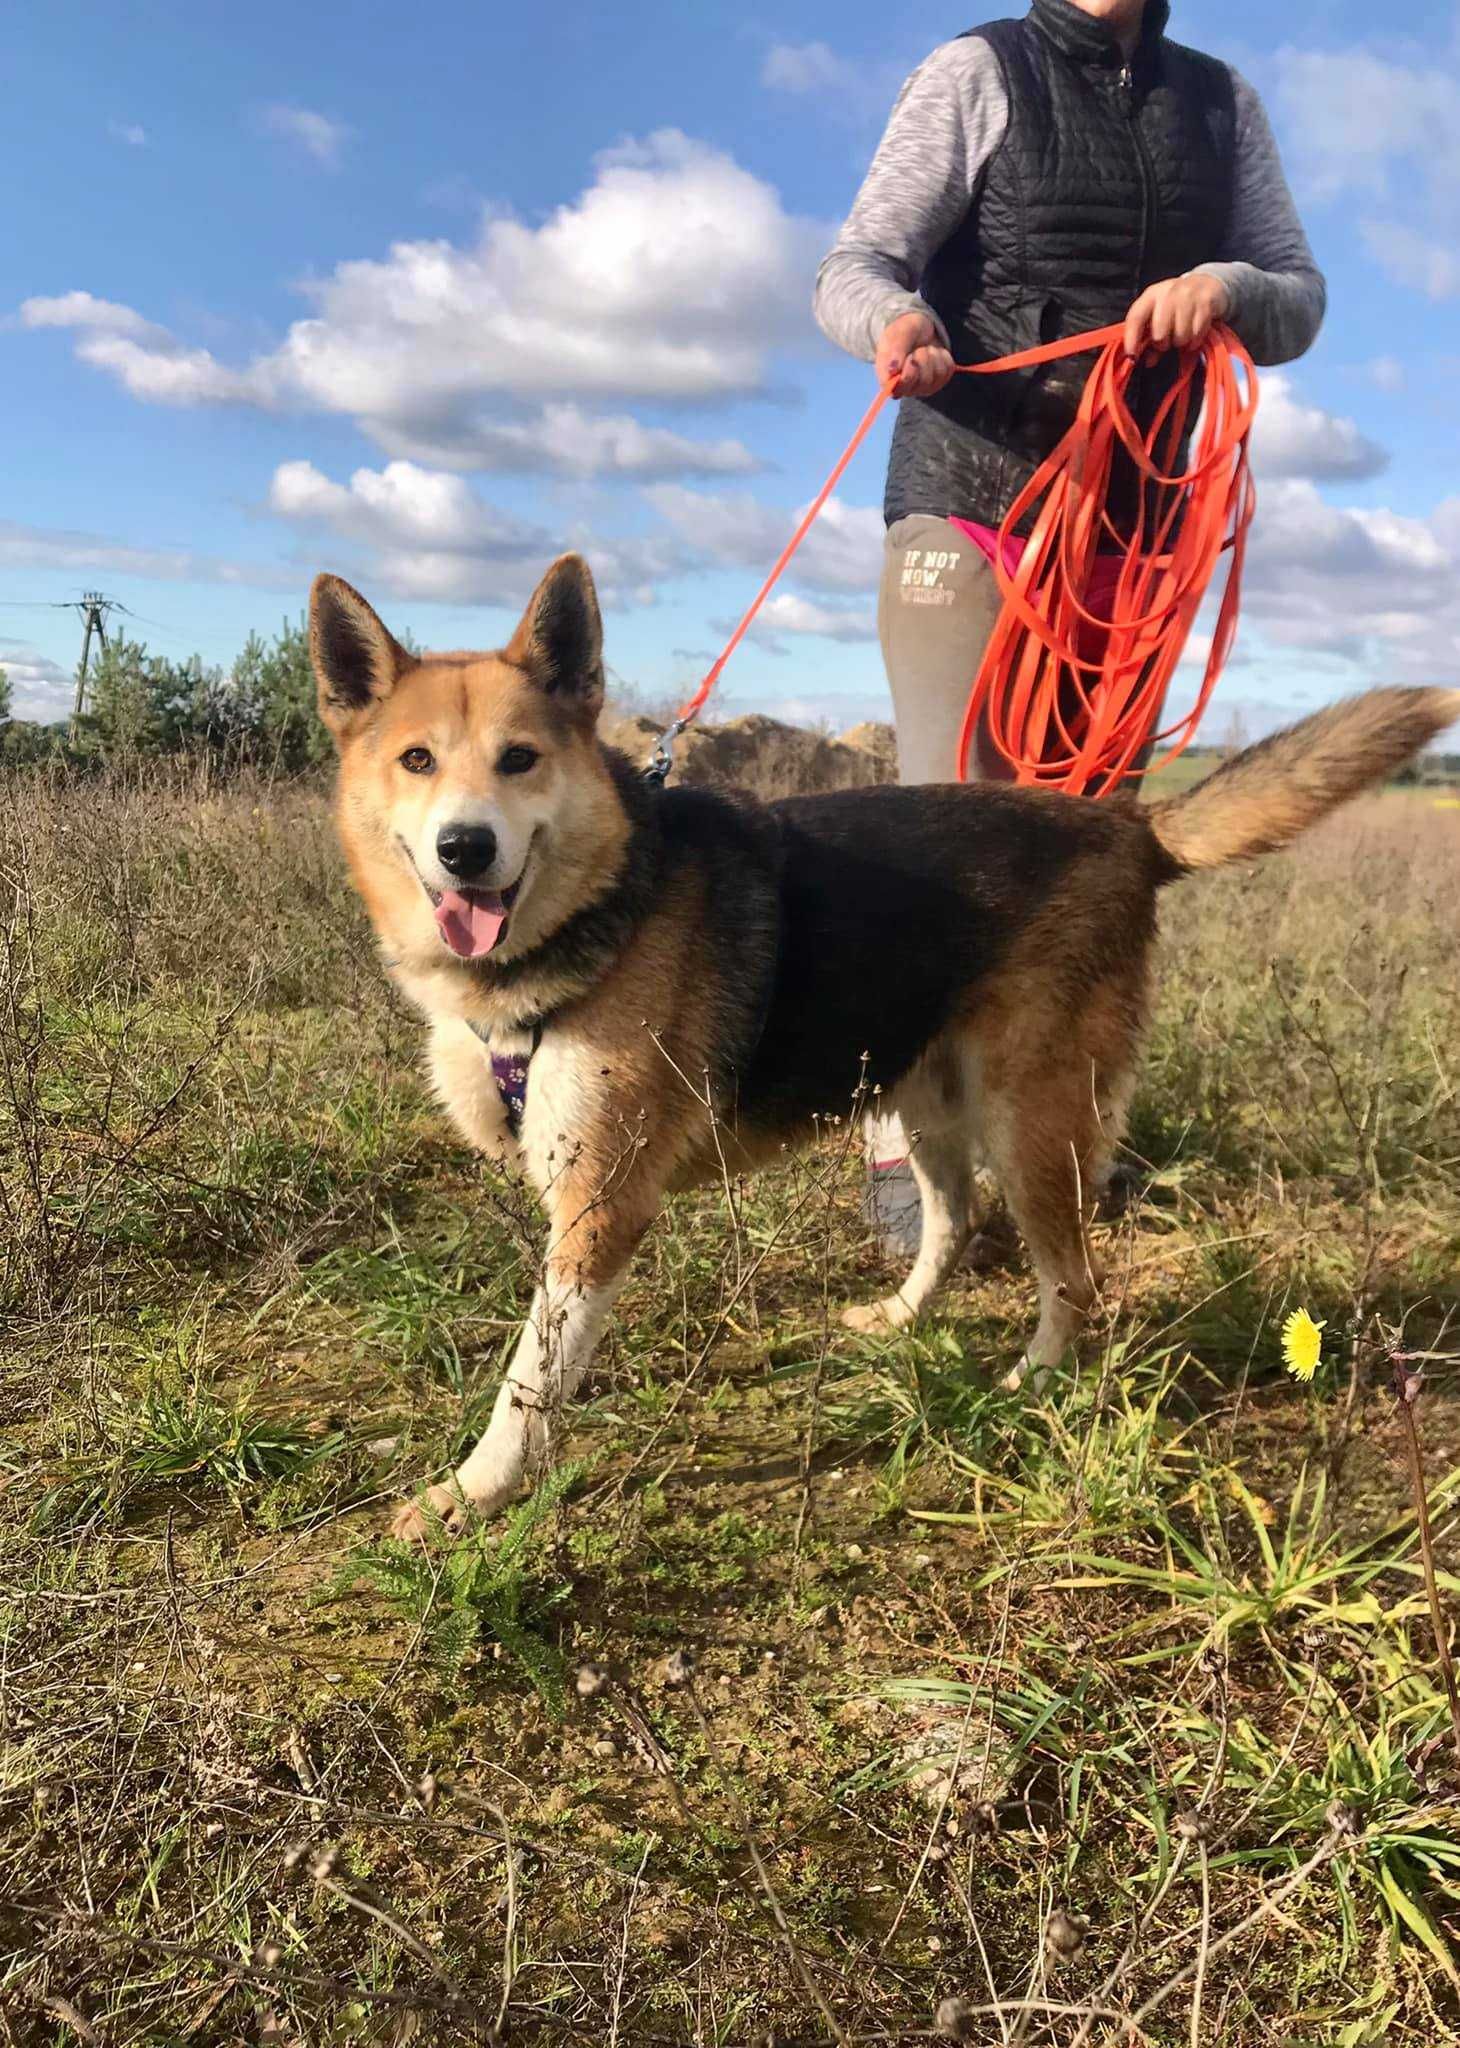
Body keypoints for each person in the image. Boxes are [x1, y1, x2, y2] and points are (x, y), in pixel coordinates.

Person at [814, 0, 1325, 1254]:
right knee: (948, 839)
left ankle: (1056, 1133)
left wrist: (1223, 287)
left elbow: (1297, 301)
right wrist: (896, 325)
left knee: (1089, 855)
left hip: (1136, 518)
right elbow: (854, 265)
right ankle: (912, 1159)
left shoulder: (1220, 99)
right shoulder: (976, 70)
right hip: (972, 491)